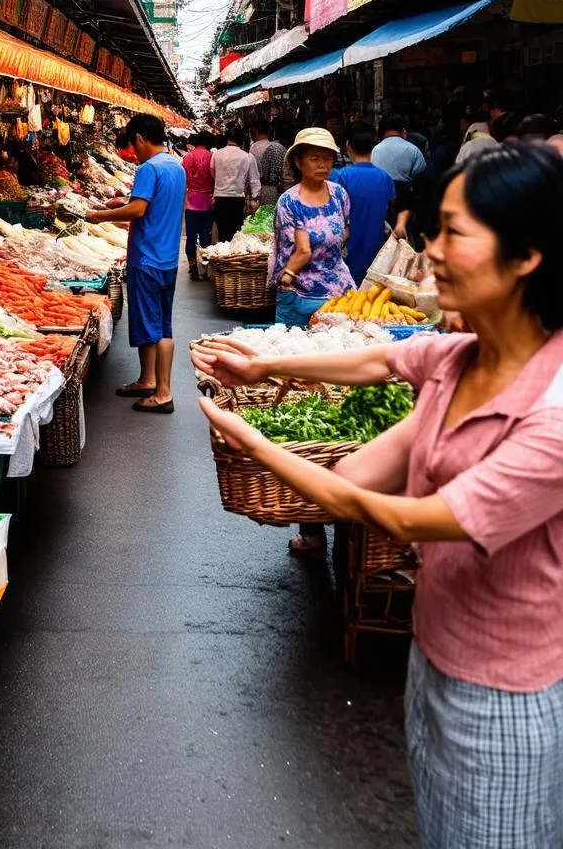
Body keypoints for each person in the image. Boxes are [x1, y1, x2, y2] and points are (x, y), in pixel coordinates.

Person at [193, 139, 563, 848]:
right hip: (434, 660)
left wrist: (259, 445)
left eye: (454, 233)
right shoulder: (459, 359)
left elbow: (394, 513)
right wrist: (260, 370)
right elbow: (376, 364)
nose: (429, 251)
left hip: (504, 698)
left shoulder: (549, 415)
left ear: (526, 256)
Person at [273, 126, 355, 558]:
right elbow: (321, 244)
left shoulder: (337, 194)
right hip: (315, 296)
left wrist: (296, 271)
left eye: (327, 156)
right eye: (313, 157)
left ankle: (318, 523)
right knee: (312, 398)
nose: (321, 163)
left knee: (320, 396)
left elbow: (319, 247)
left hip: (322, 296)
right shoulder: (292, 200)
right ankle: (313, 523)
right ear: (299, 161)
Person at [86, 114, 185, 414]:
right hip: (167, 257)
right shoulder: (176, 166)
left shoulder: (148, 168)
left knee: (149, 323)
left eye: (133, 143)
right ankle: (148, 380)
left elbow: (139, 210)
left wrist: (99, 216)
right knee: (161, 324)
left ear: (141, 138)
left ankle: (162, 393)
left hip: (146, 257)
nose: (134, 150)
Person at [330, 122, 399, 285]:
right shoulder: (385, 177)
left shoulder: (340, 176)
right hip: (375, 250)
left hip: (346, 250)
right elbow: (392, 207)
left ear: (348, 146)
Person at [211, 125, 260, 242]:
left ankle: (223, 256)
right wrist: (254, 198)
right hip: (237, 199)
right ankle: (232, 256)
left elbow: (213, 173)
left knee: (222, 232)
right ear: (242, 139)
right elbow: (254, 180)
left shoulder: (216, 154)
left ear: (228, 138)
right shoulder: (247, 156)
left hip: (220, 198)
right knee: (236, 232)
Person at [181, 132, 214, 280]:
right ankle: (206, 266)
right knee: (206, 235)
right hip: (208, 199)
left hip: (192, 200)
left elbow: (184, 178)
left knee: (191, 236)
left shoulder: (188, 157)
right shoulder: (212, 156)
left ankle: (193, 266)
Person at [371, 113, 427, 191]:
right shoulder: (413, 149)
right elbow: (421, 174)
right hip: (406, 196)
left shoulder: (375, 150)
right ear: (403, 129)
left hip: (381, 194)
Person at [248, 118, 285, 205]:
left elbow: (253, 172)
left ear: (255, 131)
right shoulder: (278, 147)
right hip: (278, 190)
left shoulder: (254, 147)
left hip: (262, 189)